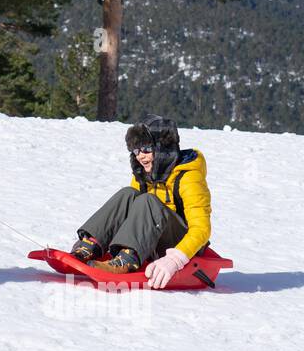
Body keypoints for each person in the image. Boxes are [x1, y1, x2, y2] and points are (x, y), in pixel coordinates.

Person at [69, 115, 212, 289]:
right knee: (128, 194)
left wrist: (174, 260)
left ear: (162, 148)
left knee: (148, 201)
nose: (140, 157)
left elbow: (202, 229)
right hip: (152, 237)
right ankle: (92, 244)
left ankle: (127, 259)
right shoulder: (143, 174)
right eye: (136, 151)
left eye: (145, 149)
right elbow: (131, 214)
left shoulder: (188, 176)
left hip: (182, 244)